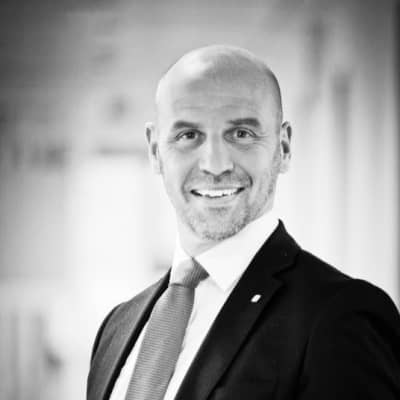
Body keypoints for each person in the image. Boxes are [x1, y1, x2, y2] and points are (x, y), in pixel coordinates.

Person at [86, 45, 400, 400]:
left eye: (241, 134)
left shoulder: (339, 316)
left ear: (283, 147)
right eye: (188, 135)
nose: (215, 164)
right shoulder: (116, 328)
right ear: (156, 150)